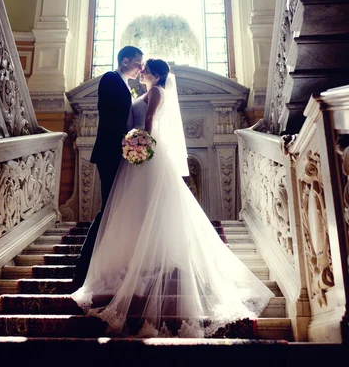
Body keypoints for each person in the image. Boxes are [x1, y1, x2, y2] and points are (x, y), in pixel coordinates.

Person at [71, 59, 274, 337]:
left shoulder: (155, 92)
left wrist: (142, 143)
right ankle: (134, 262)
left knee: (148, 205)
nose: (141, 70)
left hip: (146, 153)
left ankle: (149, 263)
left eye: (145, 68)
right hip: (136, 154)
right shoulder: (142, 91)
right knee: (134, 208)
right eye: (139, 66)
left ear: (154, 73)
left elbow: (151, 119)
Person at [71, 45, 143, 291]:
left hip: (118, 151)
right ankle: (83, 268)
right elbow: (112, 118)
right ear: (124, 60)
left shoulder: (123, 83)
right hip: (111, 151)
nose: (140, 68)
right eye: (137, 62)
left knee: (112, 209)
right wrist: (128, 142)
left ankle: (98, 265)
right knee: (108, 209)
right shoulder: (111, 79)